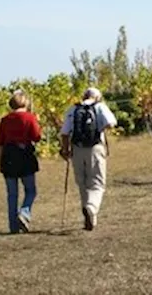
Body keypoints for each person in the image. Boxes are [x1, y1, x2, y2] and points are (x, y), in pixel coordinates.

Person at [59, 87, 118, 231]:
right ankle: (91, 208)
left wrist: (65, 150)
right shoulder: (99, 106)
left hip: (77, 149)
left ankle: (90, 219)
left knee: (83, 183)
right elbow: (111, 123)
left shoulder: (73, 109)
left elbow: (65, 133)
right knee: (97, 183)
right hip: (95, 148)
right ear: (97, 97)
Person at [0, 90, 42, 234]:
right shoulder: (29, 117)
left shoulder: (5, 120)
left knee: (12, 194)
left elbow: (0, 142)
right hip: (25, 156)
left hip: (9, 156)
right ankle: (25, 213)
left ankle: (13, 226)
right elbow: (37, 137)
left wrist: (0, 161)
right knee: (30, 190)